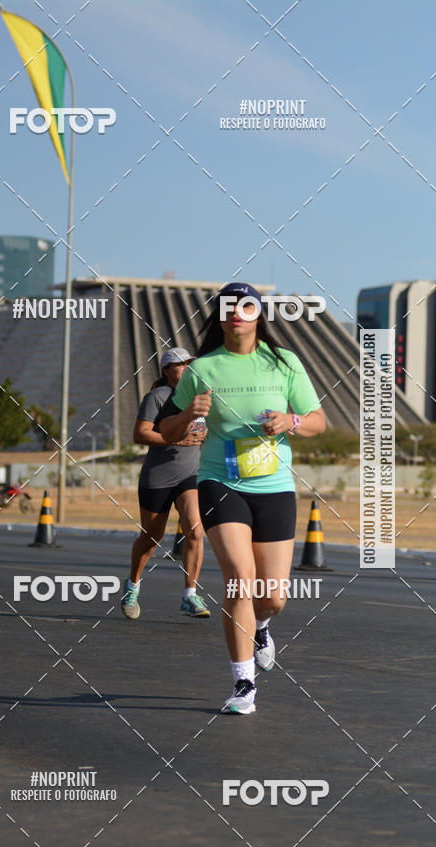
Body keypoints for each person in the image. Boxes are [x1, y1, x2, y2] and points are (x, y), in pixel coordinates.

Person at [160, 283, 326, 714]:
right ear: (220, 317)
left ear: (257, 316)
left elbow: (317, 421)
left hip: (273, 488)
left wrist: (290, 420)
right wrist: (189, 414)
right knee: (239, 577)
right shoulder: (203, 368)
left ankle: (263, 626)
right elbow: (168, 431)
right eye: (229, 307)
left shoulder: (283, 362)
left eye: (246, 306)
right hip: (220, 482)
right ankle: (243, 684)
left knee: (272, 596)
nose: (237, 313)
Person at [122, 347, 210, 620]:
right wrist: (175, 440)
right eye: (179, 365)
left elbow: (210, 429)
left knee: (195, 529)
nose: (185, 369)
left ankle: (189, 595)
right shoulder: (157, 397)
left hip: (190, 475)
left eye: (188, 364)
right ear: (166, 371)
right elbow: (140, 434)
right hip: (157, 477)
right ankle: (132, 587)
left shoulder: (199, 399)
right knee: (151, 538)